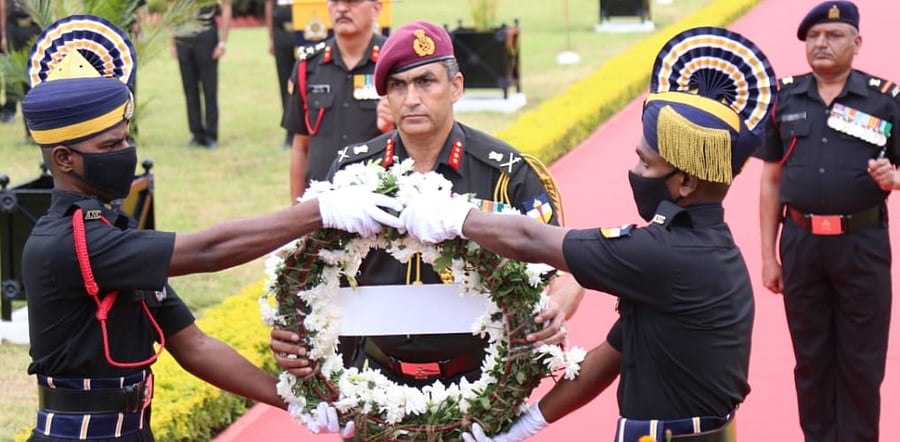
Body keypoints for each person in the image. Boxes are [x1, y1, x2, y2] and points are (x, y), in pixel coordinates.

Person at [20, 15, 402, 441]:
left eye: (127, 140)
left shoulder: (111, 232)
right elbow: (210, 251)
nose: (126, 153)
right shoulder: (72, 242)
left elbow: (194, 346)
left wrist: (301, 402)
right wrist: (320, 210)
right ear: (63, 159)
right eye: (110, 147)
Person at [400, 26, 777, 442]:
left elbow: (533, 240)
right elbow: (612, 354)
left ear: (685, 183)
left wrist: (452, 216)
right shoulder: (704, 246)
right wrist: (523, 424)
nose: (635, 172)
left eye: (645, 163)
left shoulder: (665, 255)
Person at [270, 20, 584, 437]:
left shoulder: (504, 173)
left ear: (455, 86)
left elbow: (568, 268)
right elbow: (310, 272)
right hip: (375, 385)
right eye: (398, 85)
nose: (412, 98)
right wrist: (297, 340)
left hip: (479, 388)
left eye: (426, 81)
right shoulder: (352, 172)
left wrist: (554, 309)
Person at [755, 2, 899, 441]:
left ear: (856, 43)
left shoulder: (885, 99)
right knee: (812, 359)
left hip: (862, 245)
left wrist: (895, 178)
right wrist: (768, 255)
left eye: (834, 35)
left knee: (861, 360)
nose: (821, 43)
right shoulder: (786, 97)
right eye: (813, 36)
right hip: (801, 244)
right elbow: (771, 178)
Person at [282, 0, 394, 203]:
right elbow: (300, 145)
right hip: (320, 202)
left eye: (352, 2)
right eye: (335, 1)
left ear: (376, 8)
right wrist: (296, 215)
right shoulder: (308, 65)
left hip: (377, 201)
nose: (342, 8)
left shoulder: (394, 63)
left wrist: (391, 127)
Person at [174, 0, 231, 149]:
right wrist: (172, 40)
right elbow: (172, 8)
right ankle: (196, 133)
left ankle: (211, 134)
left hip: (206, 35)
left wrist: (223, 43)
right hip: (183, 36)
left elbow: (226, 7)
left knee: (209, 87)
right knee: (189, 88)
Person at [0, 0, 41, 140]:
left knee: (37, 75)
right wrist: (4, 35)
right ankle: (28, 132)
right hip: (14, 28)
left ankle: (41, 131)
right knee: (18, 77)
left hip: (34, 27)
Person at [265, 0, 297, 150]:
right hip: (281, 31)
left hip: (305, 31)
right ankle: (290, 134)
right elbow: (269, 4)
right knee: (286, 84)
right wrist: (271, 36)